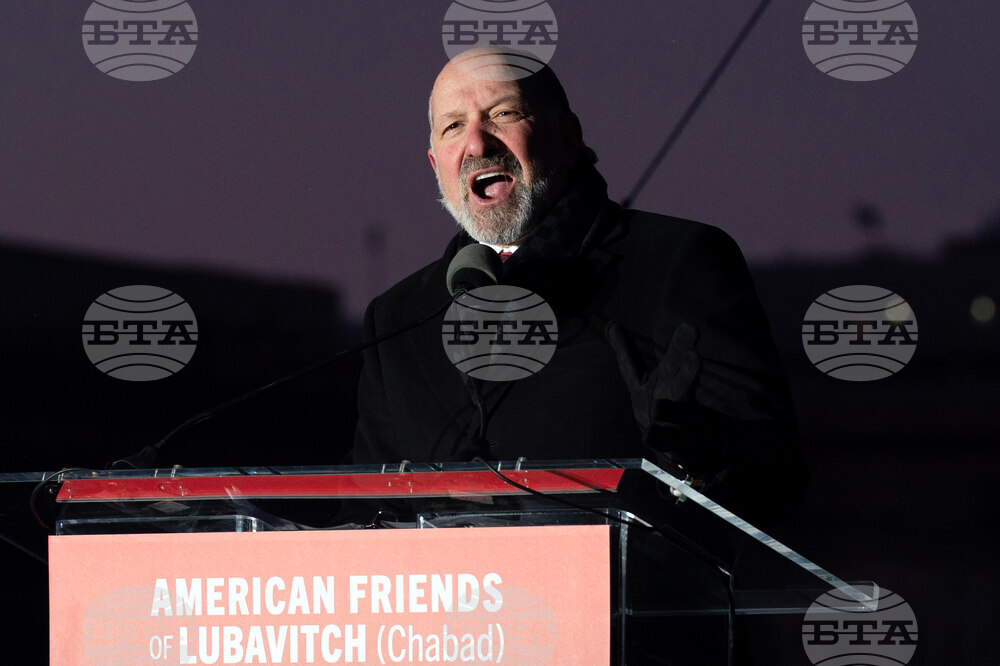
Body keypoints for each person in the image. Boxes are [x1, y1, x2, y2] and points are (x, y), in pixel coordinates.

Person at [353, 49, 805, 524]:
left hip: (627, 592)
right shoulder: (399, 317)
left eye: (503, 114)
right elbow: (359, 505)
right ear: (434, 165)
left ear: (568, 137)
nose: (477, 145)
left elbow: (775, 480)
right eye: (453, 127)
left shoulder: (681, 261)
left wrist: (692, 460)